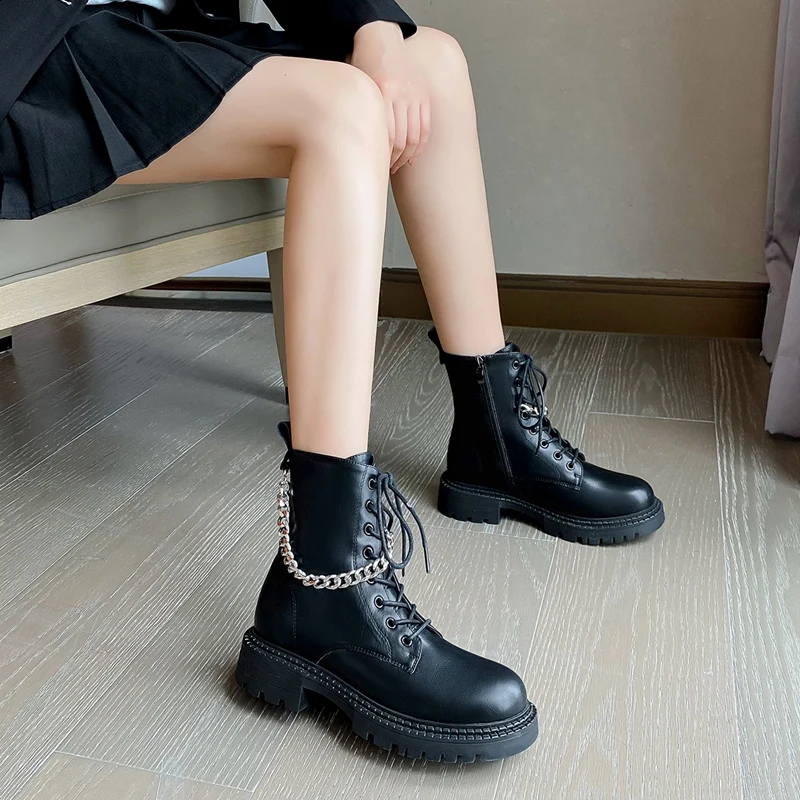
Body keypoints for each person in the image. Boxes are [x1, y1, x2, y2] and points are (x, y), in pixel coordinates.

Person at [0, 0, 665, 762]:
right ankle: (325, 574)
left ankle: (496, 436)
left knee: (431, 63)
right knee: (343, 110)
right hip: (23, 47)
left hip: (111, 25)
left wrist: (373, 31)